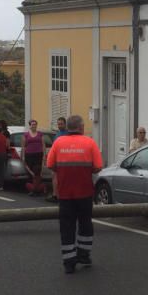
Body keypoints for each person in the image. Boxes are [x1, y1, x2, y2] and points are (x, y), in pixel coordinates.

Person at [46, 114, 103, 274]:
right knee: (85, 224)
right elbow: (98, 166)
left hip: (65, 194)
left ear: (68, 127)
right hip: (84, 193)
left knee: (66, 227)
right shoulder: (90, 143)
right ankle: (83, 255)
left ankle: (69, 262)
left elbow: (50, 164)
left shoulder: (58, 143)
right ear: (81, 127)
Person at [45, 116, 69, 203]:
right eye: (58, 124)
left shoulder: (67, 134)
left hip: (64, 159)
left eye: (61, 124)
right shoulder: (57, 134)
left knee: (61, 177)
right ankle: (56, 194)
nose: (59, 125)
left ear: (65, 124)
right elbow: (53, 147)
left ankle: (59, 195)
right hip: (57, 158)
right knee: (54, 176)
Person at [23, 119, 46, 195]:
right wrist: (23, 156)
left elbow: (43, 145)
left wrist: (44, 155)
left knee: (38, 171)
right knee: (30, 171)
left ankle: (38, 187)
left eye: (35, 124)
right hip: (29, 155)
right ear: (30, 126)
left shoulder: (40, 134)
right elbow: (23, 146)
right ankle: (32, 189)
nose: (34, 126)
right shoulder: (26, 135)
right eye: (32, 124)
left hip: (38, 154)